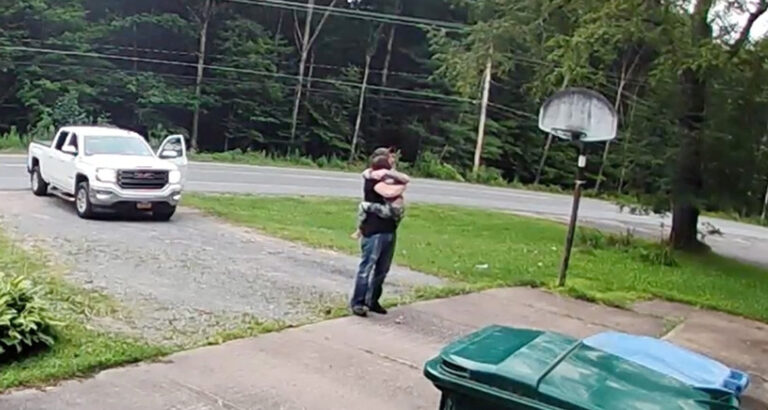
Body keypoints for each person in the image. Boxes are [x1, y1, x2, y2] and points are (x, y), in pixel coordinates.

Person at [349, 150, 406, 317]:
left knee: (382, 270)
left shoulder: (388, 178)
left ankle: (372, 301)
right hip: (374, 231)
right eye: (391, 160)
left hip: (389, 230)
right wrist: (401, 185)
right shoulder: (373, 180)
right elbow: (391, 193)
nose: (393, 163)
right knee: (366, 268)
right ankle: (358, 303)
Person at [350, 155, 410, 239]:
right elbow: (405, 179)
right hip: (398, 211)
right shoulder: (394, 176)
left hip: (389, 209)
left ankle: (359, 230)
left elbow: (387, 191)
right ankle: (361, 230)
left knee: (363, 206)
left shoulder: (384, 178)